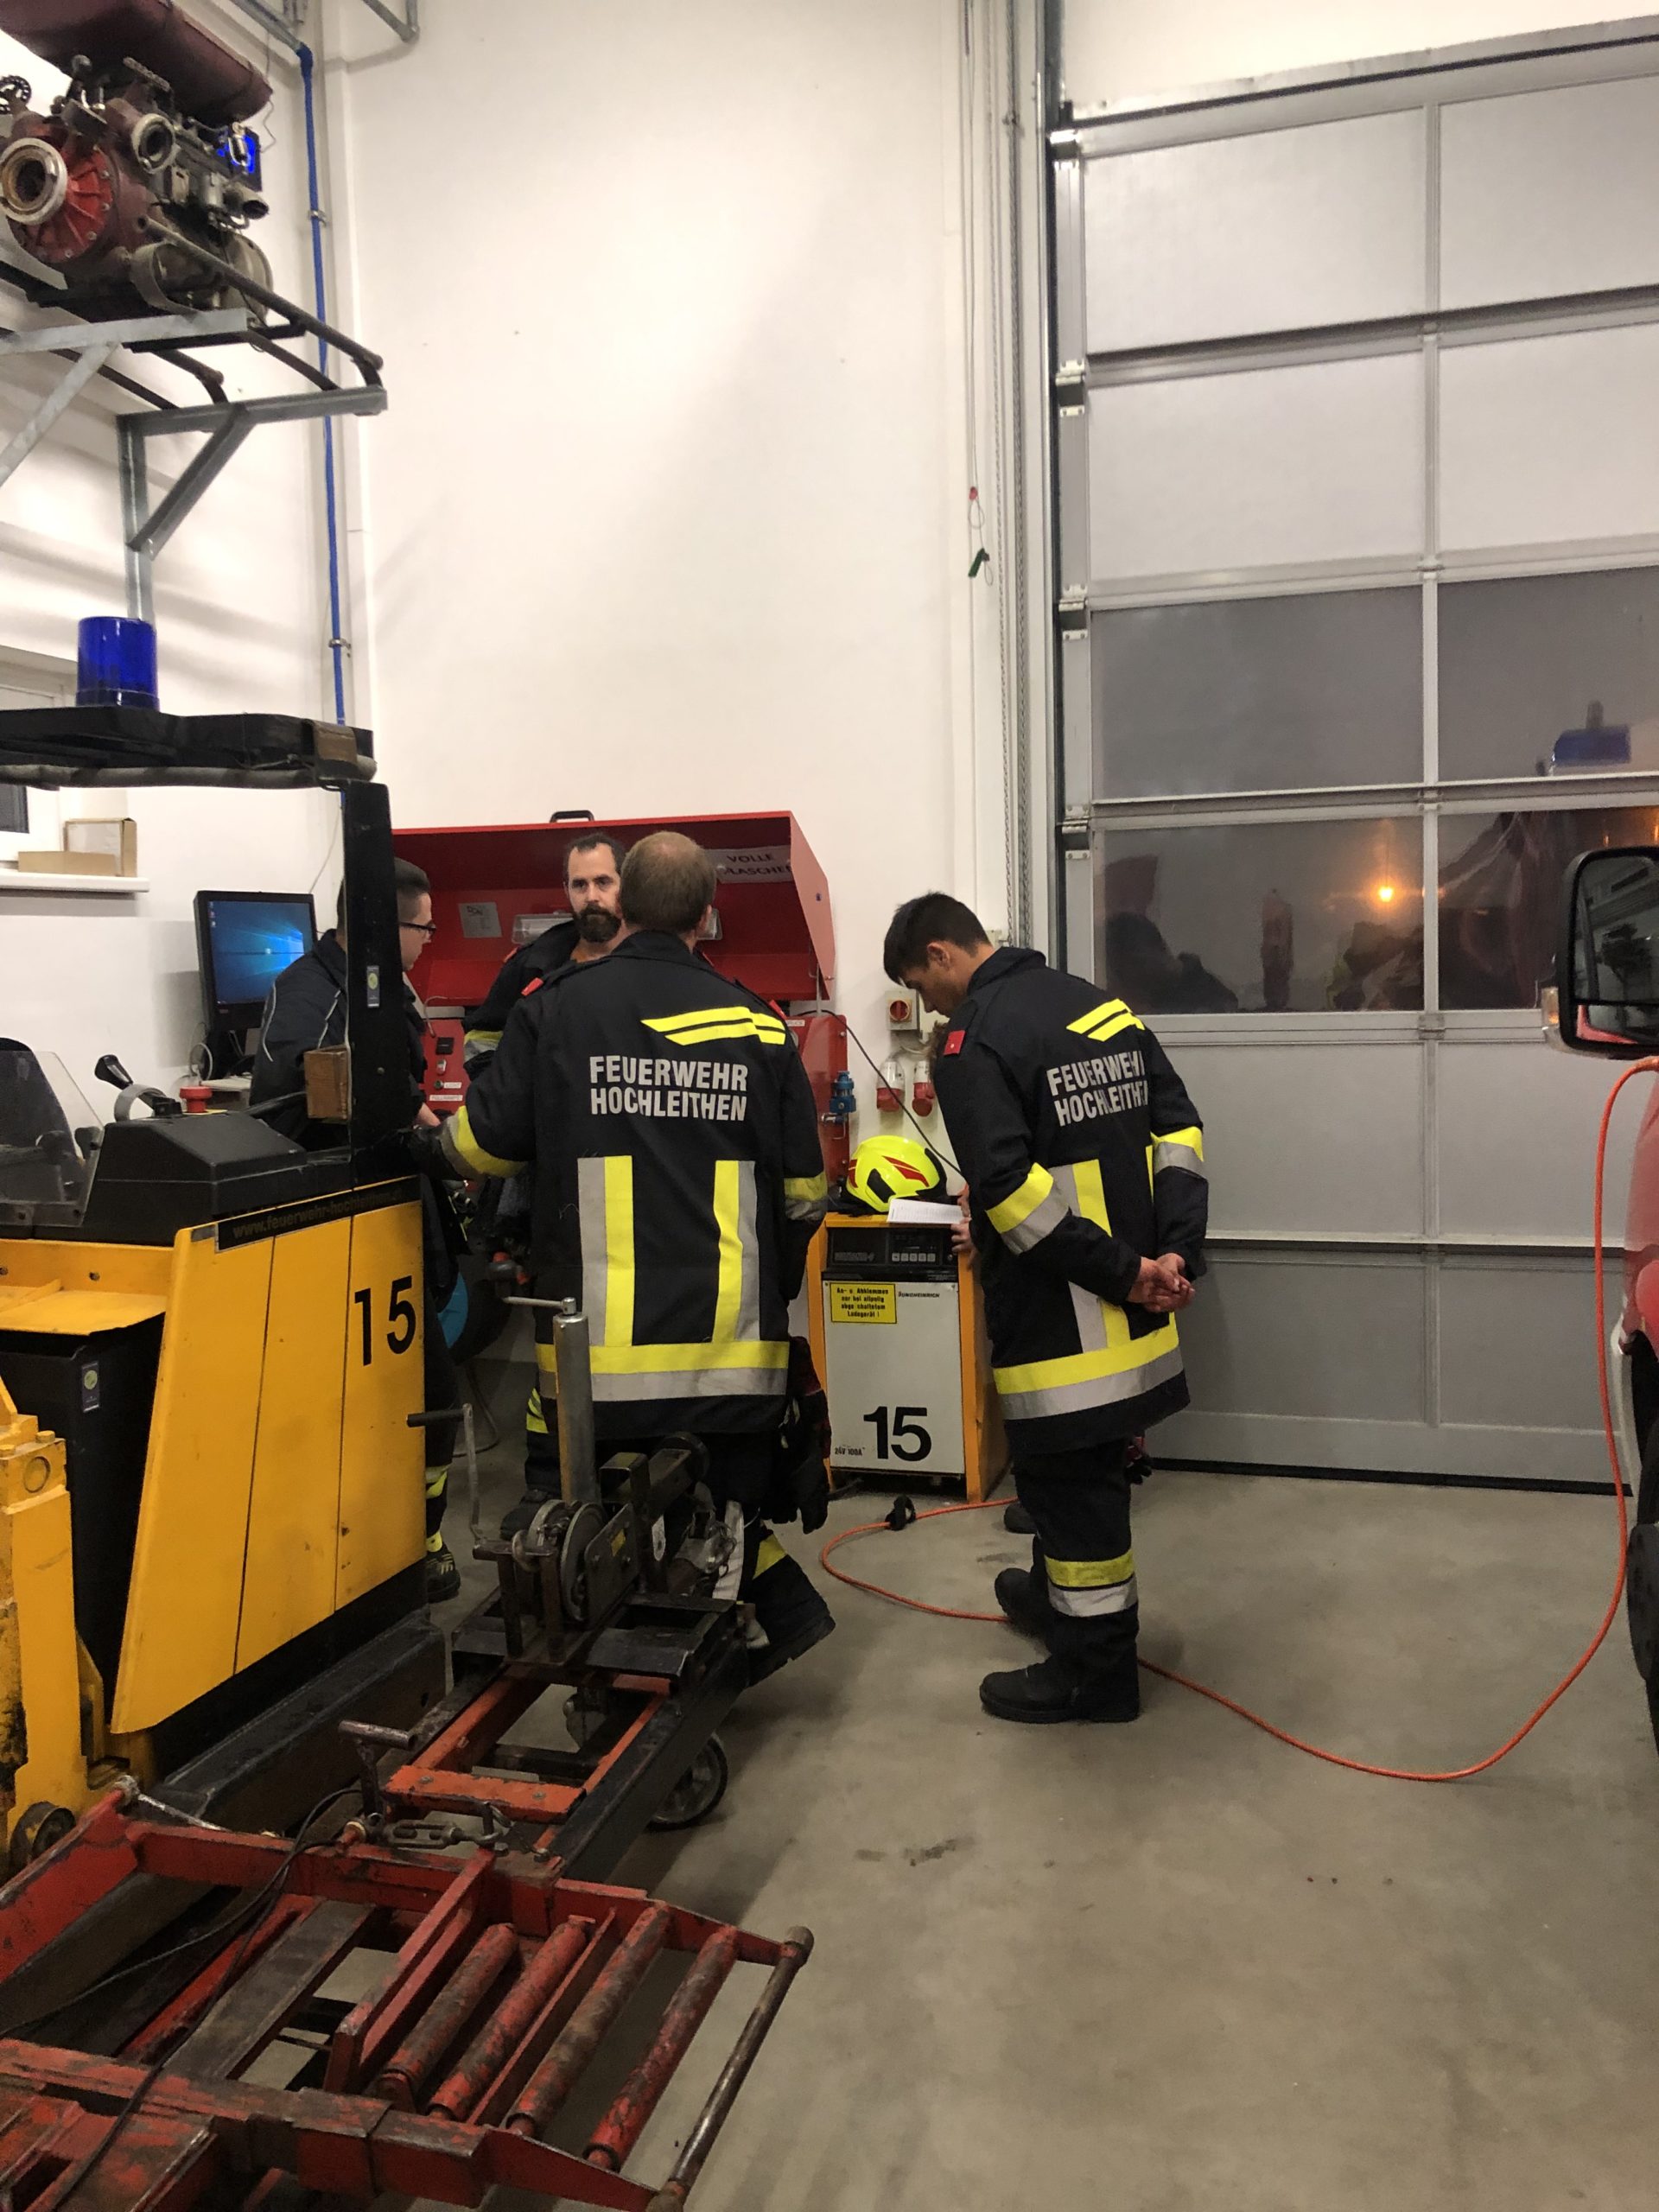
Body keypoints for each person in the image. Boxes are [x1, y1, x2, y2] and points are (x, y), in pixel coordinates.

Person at [442, 830, 836, 1680]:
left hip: (596, 1368)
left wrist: (426, 1144)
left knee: (593, 1511)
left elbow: (478, 1150)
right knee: (717, 1505)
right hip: (731, 1358)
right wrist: (768, 1287)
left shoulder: (554, 1010)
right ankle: (744, 1621)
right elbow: (806, 1196)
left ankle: (652, 1648)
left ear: (622, 901)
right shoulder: (761, 1028)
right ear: (707, 915)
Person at [884, 892, 1208, 1726]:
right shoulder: (1101, 1009)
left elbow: (1008, 1192)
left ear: (941, 954)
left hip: (1068, 1326)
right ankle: (1051, 1597)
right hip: (1140, 1311)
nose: (930, 1005)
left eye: (921, 984)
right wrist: (1173, 1250)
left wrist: (1122, 1275)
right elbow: (1178, 1131)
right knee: (1074, 1476)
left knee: (1073, 1492)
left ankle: (1096, 1674)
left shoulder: (974, 1040)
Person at [250, 857, 466, 1602]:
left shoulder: (374, 988)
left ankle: (410, 1538)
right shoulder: (309, 995)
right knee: (421, 1389)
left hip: (385, 1211)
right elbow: (312, 1085)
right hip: (328, 1226)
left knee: (421, 1386)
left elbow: (395, 1087)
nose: (428, 941)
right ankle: (402, 1544)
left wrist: (440, 1138)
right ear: (379, 925)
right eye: (421, 927)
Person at [462, 832, 626, 1069]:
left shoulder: (655, 964)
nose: (591, 896)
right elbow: (481, 1039)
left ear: (626, 885)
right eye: (580, 885)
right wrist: (503, 1088)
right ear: (566, 890)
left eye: (603, 882)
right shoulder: (530, 966)